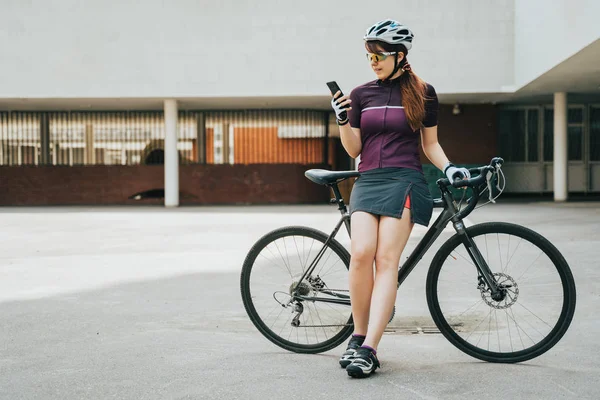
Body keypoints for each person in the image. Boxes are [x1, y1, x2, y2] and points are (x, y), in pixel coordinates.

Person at [330, 19, 470, 378]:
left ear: (400, 55)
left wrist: (450, 167)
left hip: (406, 180)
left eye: (378, 55)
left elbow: (430, 144)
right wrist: (344, 120)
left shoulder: (424, 92)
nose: (372, 61)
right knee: (361, 254)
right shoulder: (361, 94)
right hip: (369, 179)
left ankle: (370, 349)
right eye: (368, 55)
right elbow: (355, 149)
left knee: (385, 259)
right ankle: (357, 335)